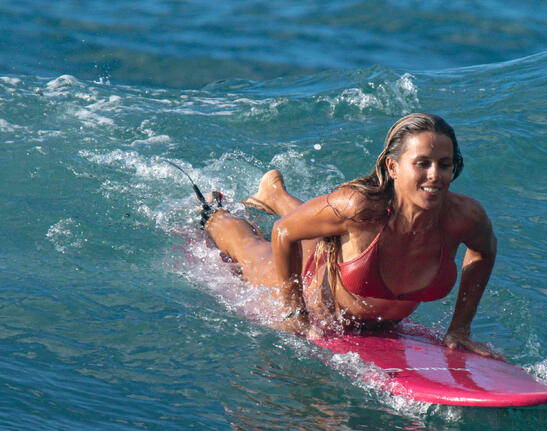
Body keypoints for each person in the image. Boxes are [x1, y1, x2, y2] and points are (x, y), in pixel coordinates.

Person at [203, 112, 501, 357]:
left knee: (319, 226)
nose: (435, 174)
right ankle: (213, 211)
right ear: (393, 167)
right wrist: (294, 311)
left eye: (444, 165)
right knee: (250, 251)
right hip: (314, 277)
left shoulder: (465, 217)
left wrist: (460, 327)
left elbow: (484, 251)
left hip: (359, 274)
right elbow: (283, 231)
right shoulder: (359, 208)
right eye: (422, 163)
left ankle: (275, 195)